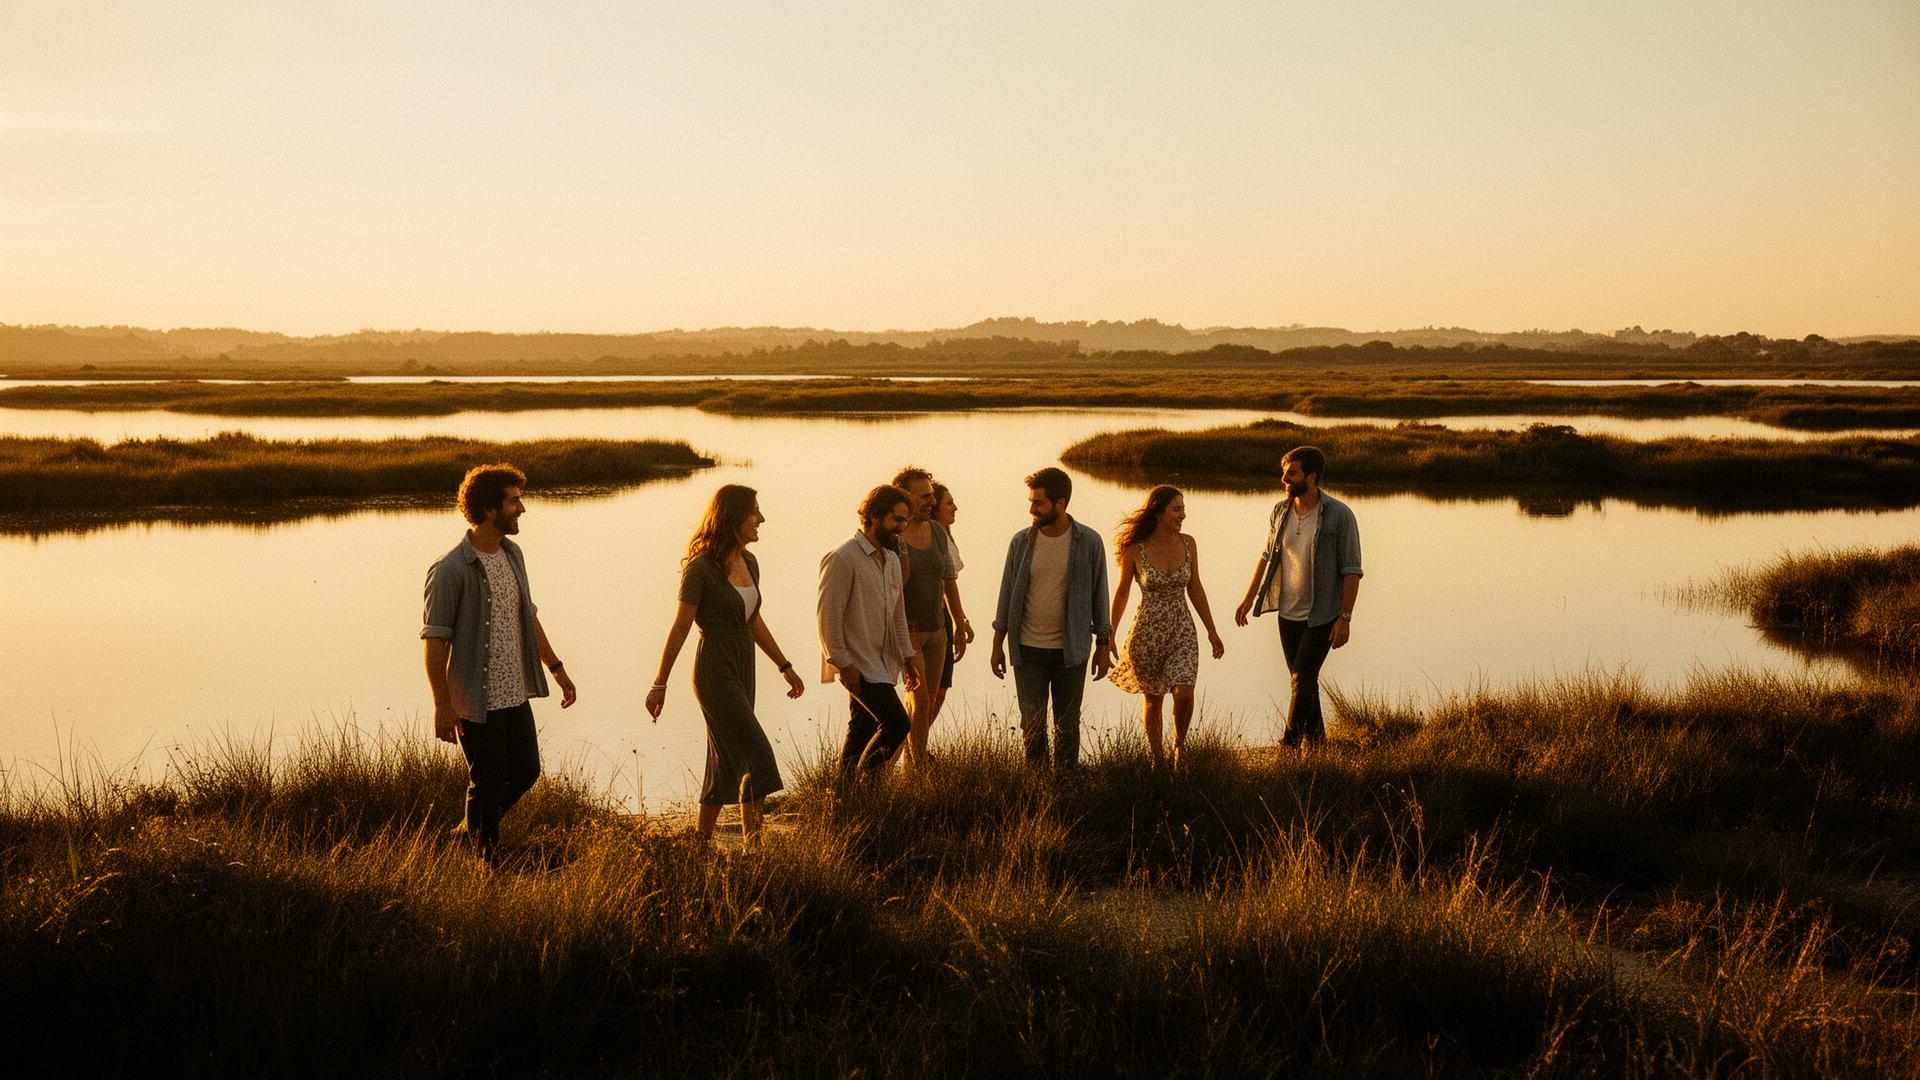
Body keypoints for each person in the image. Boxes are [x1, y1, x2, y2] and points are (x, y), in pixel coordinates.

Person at [422, 463, 579, 864]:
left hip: (514, 691)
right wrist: (442, 704)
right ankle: (486, 865)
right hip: (475, 698)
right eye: (514, 501)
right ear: (490, 509)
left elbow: (528, 614)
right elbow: (436, 640)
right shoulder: (451, 568)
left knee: (526, 772)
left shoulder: (513, 554)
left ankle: (469, 832)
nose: (522, 509)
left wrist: (557, 669)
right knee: (487, 782)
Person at [645, 485, 805, 848]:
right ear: (733, 517)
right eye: (754, 513)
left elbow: (753, 619)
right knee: (757, 752)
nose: (761, 519)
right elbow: (681, 627)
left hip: (743, 663)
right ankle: (755, 844)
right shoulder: (700, 568)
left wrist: (784, 665)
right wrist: (660, 683)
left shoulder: (750, 563)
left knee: (723, 759)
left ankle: (700, 841)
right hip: (714, 669)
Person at [1233, 445, 1363, 748]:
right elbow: (1266, 556)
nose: (1284, 479)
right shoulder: (1280, 511)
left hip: (1323, 613)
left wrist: (1344, 618)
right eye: (1284, 473)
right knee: (1304, 682)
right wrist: (1248, 598)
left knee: (1301, 680)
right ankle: (1317, 748)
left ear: (1312, 476)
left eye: (1291, 474)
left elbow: (1352, 570)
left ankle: (1289, 745)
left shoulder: (1339, 515)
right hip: (1287, 613)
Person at [990, 466, 1113, 769]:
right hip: (1027, 650)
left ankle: (1065, 788)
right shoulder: (1021, 542)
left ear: (1060, 504)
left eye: (1038, 503)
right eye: (1031, 501)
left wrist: (1103, 644)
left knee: (1067, 727)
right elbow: (1006, 595)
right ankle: (1036, 788)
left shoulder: (1089, 542)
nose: (1031, 508)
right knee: (1031, 727)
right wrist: (997, 645)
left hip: (1071, 652)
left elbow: (1101, 595)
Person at [1108, 485, 1225, 768]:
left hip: (1182, 630)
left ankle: (1179, 749)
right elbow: (1122, 591)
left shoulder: (1189, 543)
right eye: (1177, 509)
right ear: (1158, 512)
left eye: (1183, 508)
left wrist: (1211, 630)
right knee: (1154, 701)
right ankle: (1158, 761)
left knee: (1184, 693)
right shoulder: (1135, 549)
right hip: (1146, 634)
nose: (1183, 515)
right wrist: (1109, 632)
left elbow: (1195, 587)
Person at [819, 484, 923, 779]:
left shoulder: (891, 559)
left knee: (862, 728)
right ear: (874, 517)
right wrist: (842, 663)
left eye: (904, 520)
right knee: (898, 724)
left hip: (884, 661)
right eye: (896, 520)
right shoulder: (842, 558)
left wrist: (908, 657)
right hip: (858, 664)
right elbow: (827, 617)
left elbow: (897, 613)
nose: (902, 528)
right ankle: (867, 786)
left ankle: (843, 795)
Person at [891, 466, 971, 768]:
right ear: (905, 497)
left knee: (931, 701)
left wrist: (959, 623)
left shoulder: (937, 531)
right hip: (910, 634)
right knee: (919, 701)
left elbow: (948, 578)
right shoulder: (895, 535)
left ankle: (910, 769)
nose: (931, 502)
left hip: (938, 631)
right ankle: (919, 767)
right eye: (923, 496)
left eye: (931, 496)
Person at [927, 482, 971, 726]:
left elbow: (951, 585)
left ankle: (914, 753)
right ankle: (909, 752)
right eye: (949, 503)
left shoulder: (945, 536)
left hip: (946, 616)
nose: (955, 507)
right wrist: (959, 624)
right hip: (935, 617)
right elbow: (945, 585)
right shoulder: (932, 537)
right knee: (931, 692)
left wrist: (962, 620)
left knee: (941, 691)